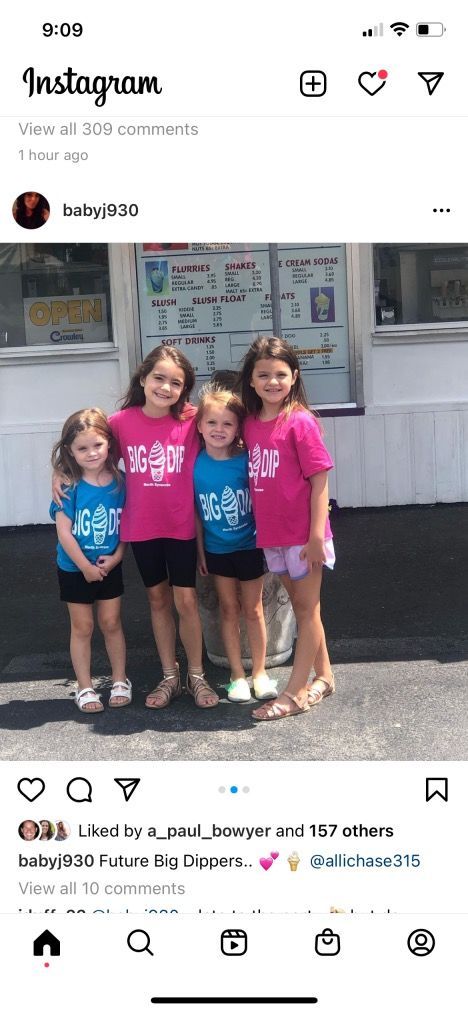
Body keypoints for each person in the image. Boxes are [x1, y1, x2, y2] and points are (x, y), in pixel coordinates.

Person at [54, 346, 219, 710]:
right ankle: (170, 675)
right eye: (158, 378)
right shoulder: (121, 422)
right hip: (142, 529)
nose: (165, 387)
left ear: (185, 389)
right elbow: (85, 442)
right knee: (158, 600)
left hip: (180, 527)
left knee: (186, 600)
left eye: (176, 382)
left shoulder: (193, 419)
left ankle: (196, 674)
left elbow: (230, 423)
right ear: (143, 378)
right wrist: (61, 468)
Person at [237, 336, 335, 721]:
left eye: (280, 374)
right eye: (263, 375)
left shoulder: (300, 422)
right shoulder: (249, 423)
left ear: (294, 377)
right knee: (302, 608)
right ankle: (324, 676)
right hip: (273, 535)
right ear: (252, 379)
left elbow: (320, 482)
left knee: (307, 611)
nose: (272, 382)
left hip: (303, 537)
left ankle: (295, 692)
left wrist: (315, 537)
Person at [194, 385, 277, 703]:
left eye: (227, 423)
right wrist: (200, 550)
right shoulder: (196, 465)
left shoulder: (245, 462)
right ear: (200, 426)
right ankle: (236, 676)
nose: (219, 430)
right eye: (212, 423)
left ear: (238, 428)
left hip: (249, 546)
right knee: (228, 610)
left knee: (254, 610)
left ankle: (259, 673)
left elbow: (263, 501)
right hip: (217, 550)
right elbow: (197, 515)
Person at [50, 408, 128, 713]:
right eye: (82, 448)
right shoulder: (68, 486)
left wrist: (118, 556)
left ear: (109, 443)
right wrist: (84, 566)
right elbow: (64, 532)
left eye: (97, 445)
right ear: (70, 450)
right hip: (74, 568)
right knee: (82, 627)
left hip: (110, 564)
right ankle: (84, 686)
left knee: (111, 622)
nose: (91, 453)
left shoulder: (121, 482)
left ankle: (120, 679)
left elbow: (126, 526)